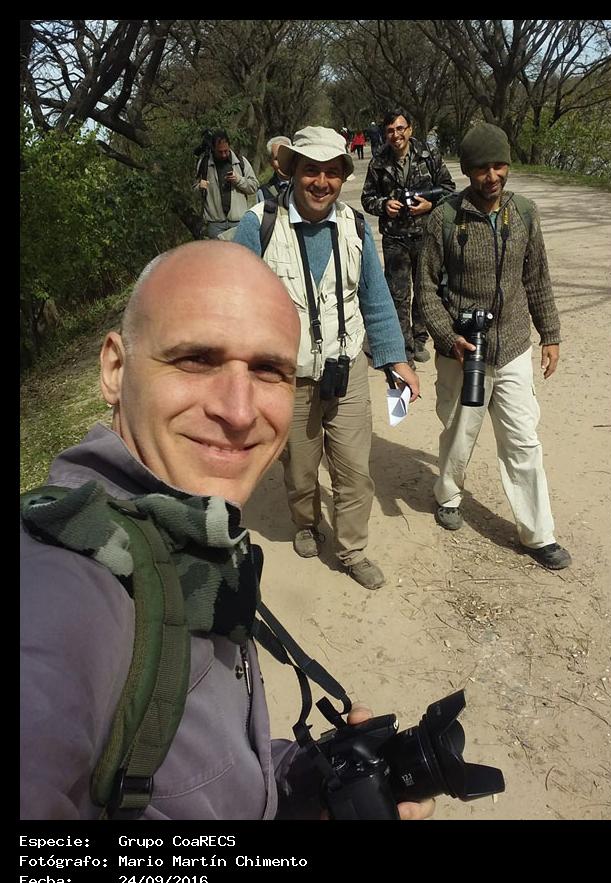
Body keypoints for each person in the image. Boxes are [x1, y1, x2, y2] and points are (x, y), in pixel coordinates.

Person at [20, 241, 435, 821]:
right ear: (115, 369)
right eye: (195, 359)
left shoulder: (181, 532)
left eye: (269, 370)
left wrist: (300, 780)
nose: (239, 412)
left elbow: (192, 764)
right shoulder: (61, 588)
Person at [233, 127, 420, 590]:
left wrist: (395, 359)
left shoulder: (355, 225)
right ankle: (306, 522)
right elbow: (235, 305)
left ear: (342, 176)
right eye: (311, 170)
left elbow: (375, 297)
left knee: (354, 471)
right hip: (288, 377)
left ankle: (353, 549)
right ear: (292, 171)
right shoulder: (258, 225)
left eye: (332, 172)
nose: (322, 182)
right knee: (300, 469)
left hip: (347, 366)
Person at [416, 123, 572, 571]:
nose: (492, 176)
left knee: (523, 440)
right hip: (462, 350)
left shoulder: (524, 213)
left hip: (514, 347)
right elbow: (425, 289)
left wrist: (550, 334)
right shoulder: (444, 218)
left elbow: (537, 277)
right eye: (482, 168)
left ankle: (538, 534)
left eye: (499, 166)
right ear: (467, 170)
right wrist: (448, 337)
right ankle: (448, 494)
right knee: (458, 431)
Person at [361, 107, 456, 369]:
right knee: (398, 295)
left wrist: (430, 205)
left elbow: (449, 190)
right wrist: (384, 205)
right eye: (390, 130)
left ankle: (419, 337)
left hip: (426, 236)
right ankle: (404, 350)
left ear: (410, 129)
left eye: (400, 129)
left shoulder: (429, 155)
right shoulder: (378, 162)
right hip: (395, 239)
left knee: (426, 289)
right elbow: (367, 199)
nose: (396, 135)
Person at [196, 129, 258, 239]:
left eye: (226, 151)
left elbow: (254, 186)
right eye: (220, 152)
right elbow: (195, 190)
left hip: (238, 222)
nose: (224, 154)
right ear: (213, 148)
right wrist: (199, 187)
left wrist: (238, 180)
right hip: (215, 224)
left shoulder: (241, 162)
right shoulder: (204, 163)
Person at [256, 135, 292, 203]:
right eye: (277, 158)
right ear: (271, 162)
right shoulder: (263, 192)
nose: (282, 162)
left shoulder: (305, 185)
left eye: (286, 156)